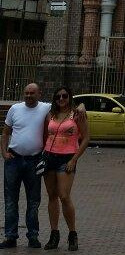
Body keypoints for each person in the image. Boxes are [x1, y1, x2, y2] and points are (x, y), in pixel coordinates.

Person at [1, 84, 85, 250]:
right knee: (12, 200)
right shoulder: (19, 109)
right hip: (21, 159)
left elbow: (83, 129)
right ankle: (13, 236)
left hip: (40, 160)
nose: (29, 95)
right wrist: (4, 153)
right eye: (26, 93)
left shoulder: (51, 109)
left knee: (42, 200)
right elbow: (5, 132)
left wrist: (82, 105)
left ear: (40, 94)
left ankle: (40, 236)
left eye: (32, 93)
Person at [42, 86, 89, 252]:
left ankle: (72, 234)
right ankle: (54, 234)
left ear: (70, 97)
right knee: (52, 196)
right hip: (49, 157)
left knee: (64, 196)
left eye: (64, 96)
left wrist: (74, 159)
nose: (61, 99)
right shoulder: (51, 114)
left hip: (67, 158)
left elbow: (86, 138)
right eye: (58, 96)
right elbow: (45, 136)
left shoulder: (77, 114)